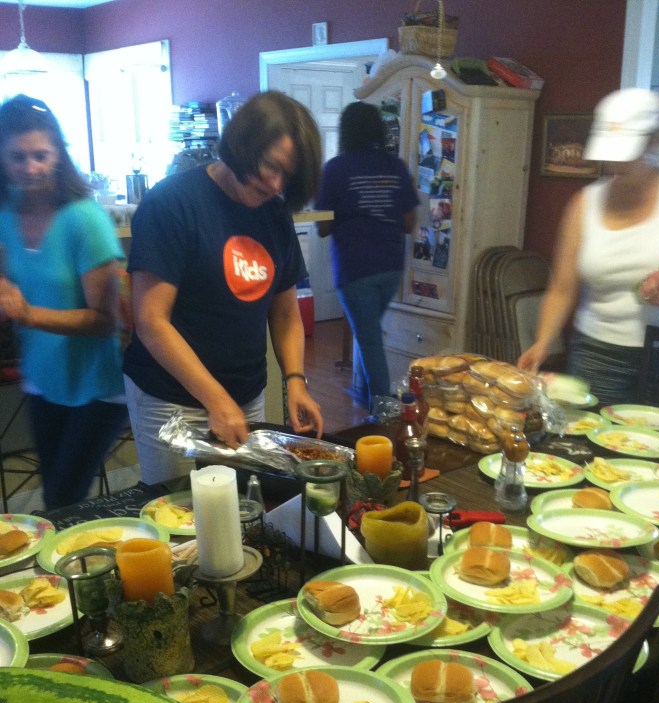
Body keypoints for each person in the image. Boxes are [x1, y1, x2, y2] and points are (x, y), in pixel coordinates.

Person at [123, 90, 324, 485]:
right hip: (173, 399)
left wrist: (295, 380)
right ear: (242, 144)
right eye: (270, 166)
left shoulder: (274, 215)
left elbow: (285, 313)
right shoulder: (172, 203)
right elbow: (151, 321)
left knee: (243, 506)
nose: (275, 183)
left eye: (287, 176)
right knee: (179, 510)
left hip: (245, 394)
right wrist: (215, 399)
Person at [0, 94, 127, 510]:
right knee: (59, 499)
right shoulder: (5, 214)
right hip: (41, 378)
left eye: (40, 155)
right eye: (18, 157)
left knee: (63, 498)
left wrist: (29, 314)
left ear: (58, 154)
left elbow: (105, 320)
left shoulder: (84, 219)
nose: (30, 167)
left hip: (95, 386)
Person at [518, 88, 659, 406]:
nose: (615, 164)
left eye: (627, 153)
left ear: (654, 142)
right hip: (595, 354)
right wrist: (542, 342)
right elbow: (562, 288)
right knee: (588, 437)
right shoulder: (584, 204)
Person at [315, 101, 419, 410]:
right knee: (368, 331)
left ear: (345, 132)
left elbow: (322, 227)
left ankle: (383, 410)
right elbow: (409, 223)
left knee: (370, 340)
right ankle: (364, 391)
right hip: (391, 267)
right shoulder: (395, 166)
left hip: (355, 268)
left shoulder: (335, 169)